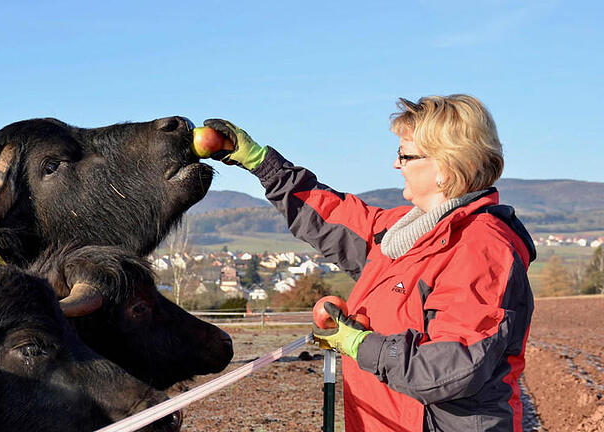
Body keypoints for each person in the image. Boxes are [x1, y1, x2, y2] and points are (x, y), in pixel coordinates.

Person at [202, 94, 535, 432]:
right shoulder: (405, 232)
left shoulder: (481, 248)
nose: (396, 165)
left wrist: (360, 345)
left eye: (404, 155)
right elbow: (332, 216)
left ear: (445, 169)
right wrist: (261, 163)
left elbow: (453, 366)